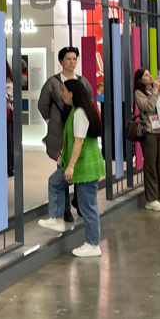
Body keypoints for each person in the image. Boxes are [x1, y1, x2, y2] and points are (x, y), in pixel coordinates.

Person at [37, 79, 105, 257]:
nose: (61, 94)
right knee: (55, 182)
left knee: (88, 205)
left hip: (84, 166)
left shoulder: (80, 113)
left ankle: (93, 244)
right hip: (79, 164)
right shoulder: (76, 111)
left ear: (72, 93)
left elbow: (79, 141)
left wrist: (71, 166)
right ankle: (57, 218)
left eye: (64, 90)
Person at [37, 48, 92, 221]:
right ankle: (65, 208)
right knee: (62, 169)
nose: (72, 62)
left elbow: (89, 102)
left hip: (79, 131)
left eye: (74, 59)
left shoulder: (83, 81)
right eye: (68, 59)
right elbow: (43, 104)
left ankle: (79, 203)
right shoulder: (53, 82)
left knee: (78, 167)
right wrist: (51, 121)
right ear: (61, 61)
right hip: (60, 132)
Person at [134, 68, 160, 212]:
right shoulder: (139, 93)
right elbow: (149, 107)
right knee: (151, 165)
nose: (150, 76)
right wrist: (156, 91)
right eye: (146, 75)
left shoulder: (155, 89)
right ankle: (151, 199)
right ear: (140, 80)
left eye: (149, 74)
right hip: (149, 131)